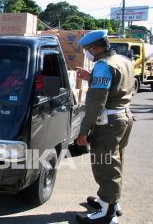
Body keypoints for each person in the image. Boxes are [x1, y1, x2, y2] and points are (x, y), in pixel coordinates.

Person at [75, 30, 134, 224]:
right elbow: (118, 86)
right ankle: (110, 202)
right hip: (124, 117)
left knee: (105, 165)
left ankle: (107, 214)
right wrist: (90, 78)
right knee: (115, 163)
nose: (87, 54)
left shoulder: (103, 65)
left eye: (88, 50)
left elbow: (96, 102)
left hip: (108, 122)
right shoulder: (122, 60)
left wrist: (84, 130)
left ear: (94, 48)